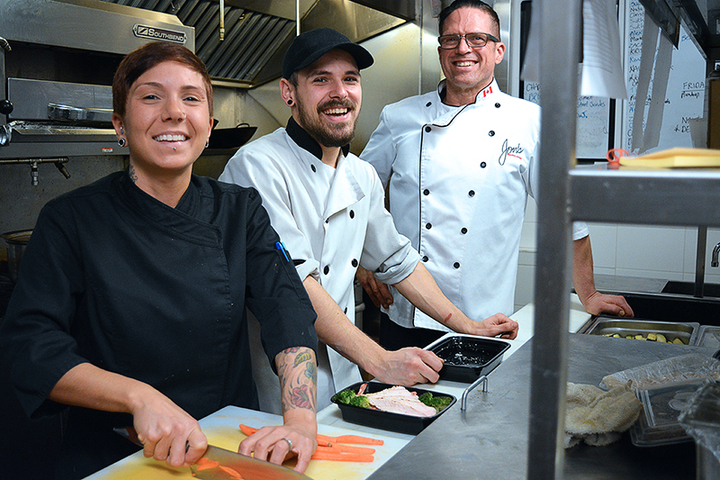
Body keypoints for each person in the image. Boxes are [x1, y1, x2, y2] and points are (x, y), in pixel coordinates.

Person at [0, 42, 319, 479]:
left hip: (227, 446)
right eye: (151, 97)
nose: (173, 112)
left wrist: (299, 422)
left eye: (191, 98)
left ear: (208, 126)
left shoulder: (239, 210)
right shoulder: (70, 219)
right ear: (120, 125)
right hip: (111, 456)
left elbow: (285, 305)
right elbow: (30, 346)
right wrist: (138, 398)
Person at [219, 28, 518, 412]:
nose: (339, 93)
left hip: (344, 376)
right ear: (288, 92)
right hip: (277, 382)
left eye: (350, 79)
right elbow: (293, 282)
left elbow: (398, 261)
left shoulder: (360, 175)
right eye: (320, 80)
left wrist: (466, 325)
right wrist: (377, 358)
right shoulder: (256, 166)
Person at [359, 0, 634, 350]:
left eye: (477, 39)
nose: (463, 49)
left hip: (485, 318)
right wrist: (364, 262)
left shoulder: (530, 121)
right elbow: (358, 193)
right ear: (439, 49)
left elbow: (568, 211)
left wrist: (589, 292)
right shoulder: (399, 117)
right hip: (404, 313)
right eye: (451, 39)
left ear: (498, 50)